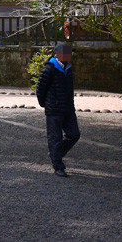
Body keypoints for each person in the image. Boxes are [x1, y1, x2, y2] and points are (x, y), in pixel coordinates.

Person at [36, 43, 80, 177]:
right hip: (54, 110)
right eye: (66, 53)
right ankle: (58, 166)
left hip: (68, 109)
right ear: (58, 54)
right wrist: (47, 104)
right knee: (55, 138)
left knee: (74, 135)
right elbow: (40, 89)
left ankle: (56, 153)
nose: (69, 56)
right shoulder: (49, 69)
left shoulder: (69, 69)